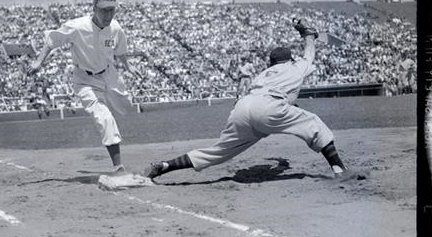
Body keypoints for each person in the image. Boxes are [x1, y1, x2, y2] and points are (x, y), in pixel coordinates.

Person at [144, 19, 349, 180]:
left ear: (271, 63)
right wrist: (309, 35)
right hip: (269, 106)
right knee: (313, 124)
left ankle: (165, 166)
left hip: (243, 107)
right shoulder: (295, 66)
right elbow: (309, 53)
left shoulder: (263, 75)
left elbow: (261, 101)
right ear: (290, 59)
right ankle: (339, 169)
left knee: (218, 151)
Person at [28, 0, 140, 172]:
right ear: (94, 8)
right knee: (105, 118)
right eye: (104, 10)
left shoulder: (116, 28)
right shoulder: (77, 27)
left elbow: (120, 51)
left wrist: (128, 66)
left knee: (125, 107)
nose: (108, 15)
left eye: (111, 10)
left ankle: (114, 132)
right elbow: (52, 41)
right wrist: (39, 61)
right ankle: (118, 166)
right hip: (85, 80)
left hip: (110, 76)